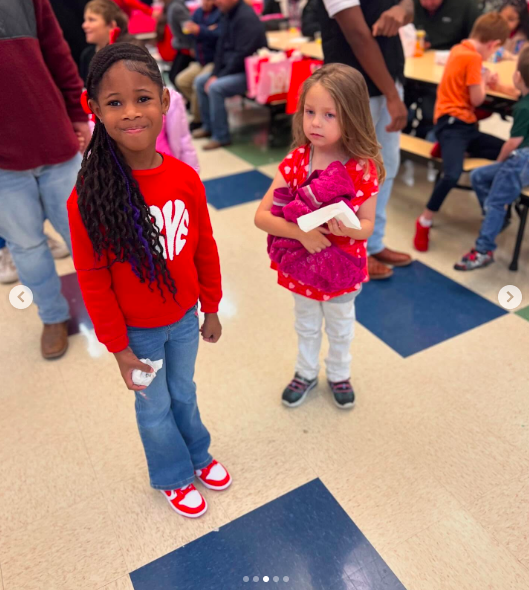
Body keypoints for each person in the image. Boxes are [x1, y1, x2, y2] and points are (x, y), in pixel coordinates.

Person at [67, 43, 231, 517]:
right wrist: (119, 349)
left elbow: (204, 246)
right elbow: (93, 281)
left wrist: (213, 304)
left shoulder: (184, 178)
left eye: (142, 98)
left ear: (164, 100)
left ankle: (198, 454)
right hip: (136, 333)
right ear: (94, 109)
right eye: (114, 103)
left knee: (185, 391)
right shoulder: (88, 201)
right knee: (154, 408)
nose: (131, 113)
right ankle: (172, 474)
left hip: (184, 318)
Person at [255, 64, 383, 409]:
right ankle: (305, 372)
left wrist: (351, 229)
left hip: (345, 267)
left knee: (341, 326)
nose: (315, 122)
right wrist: (303, 234)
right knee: (307, 325)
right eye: (310, 112)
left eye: (329, 115)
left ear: (352, 117)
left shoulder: (362, 167)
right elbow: (261, 217)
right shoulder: (297, 161)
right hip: (302, 265)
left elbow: (368, 224)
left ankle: (340, 374)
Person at [0, 0, 89, 359]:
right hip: (4, 167)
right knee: (26, 247)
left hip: (55, 142)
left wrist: (76, 111)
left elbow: (57, 51)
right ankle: (52, 316)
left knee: (85, 234)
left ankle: (117, 301)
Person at [317, 0, 414, 280]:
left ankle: (373, 242)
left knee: (386, 166)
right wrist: (393, 96)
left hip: (389, 78)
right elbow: (358, 35)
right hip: (353, 87)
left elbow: (409, 6)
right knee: (348, 172)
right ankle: (351, 251)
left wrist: (401, 10)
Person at [413, 13, 510, 252]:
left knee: (505, 151)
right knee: (452, 174)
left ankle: (490, 206)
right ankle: (424, 219)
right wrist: (485, 80)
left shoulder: (458, 49)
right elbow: (477, 99)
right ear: (493, 45)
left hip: (461, 126)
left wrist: (483, 76)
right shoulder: (474, 58)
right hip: (453, 126)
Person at [455, 46, 529, 270]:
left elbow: (512, 143)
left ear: (517, 76)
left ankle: (483, 249)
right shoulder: (524, 101)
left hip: (521, 160)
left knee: (497, 200)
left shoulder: (523, 108)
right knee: (478, 176)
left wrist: (500, 162)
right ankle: (499, 219)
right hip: (523, 162)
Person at [192, 0, 267, 150]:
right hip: (231, 68)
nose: (217, 2)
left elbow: (242, 56)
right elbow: (220, 50)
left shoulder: (246, 17)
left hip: (249, 73)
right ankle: (208, 127)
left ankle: (221, 136)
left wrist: (218, 77)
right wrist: (214, 73)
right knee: (200, 82)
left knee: (215, 88)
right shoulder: (226, 14)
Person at [176, 0, 221, 129]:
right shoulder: (198, 13)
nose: (206, 2)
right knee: (181, 80)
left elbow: (218, 35)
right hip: (200, 60)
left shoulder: (219, 13)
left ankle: (198, 119)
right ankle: (203, 109)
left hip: (214, 60)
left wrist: (200, 30)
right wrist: (205, 30)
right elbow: (190, 32)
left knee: (198, 83)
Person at [80, 0, 130, 83]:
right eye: (85, 20)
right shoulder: (87, 54)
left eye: (91, 20)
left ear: (111, 25)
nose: (84, 25)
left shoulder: (127, 52)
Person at [414, 0, 481, 51]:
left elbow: (479, 41)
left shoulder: (467, 5)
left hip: (455, 57)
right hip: (414, 58)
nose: (429, 3)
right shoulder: (409, 4)